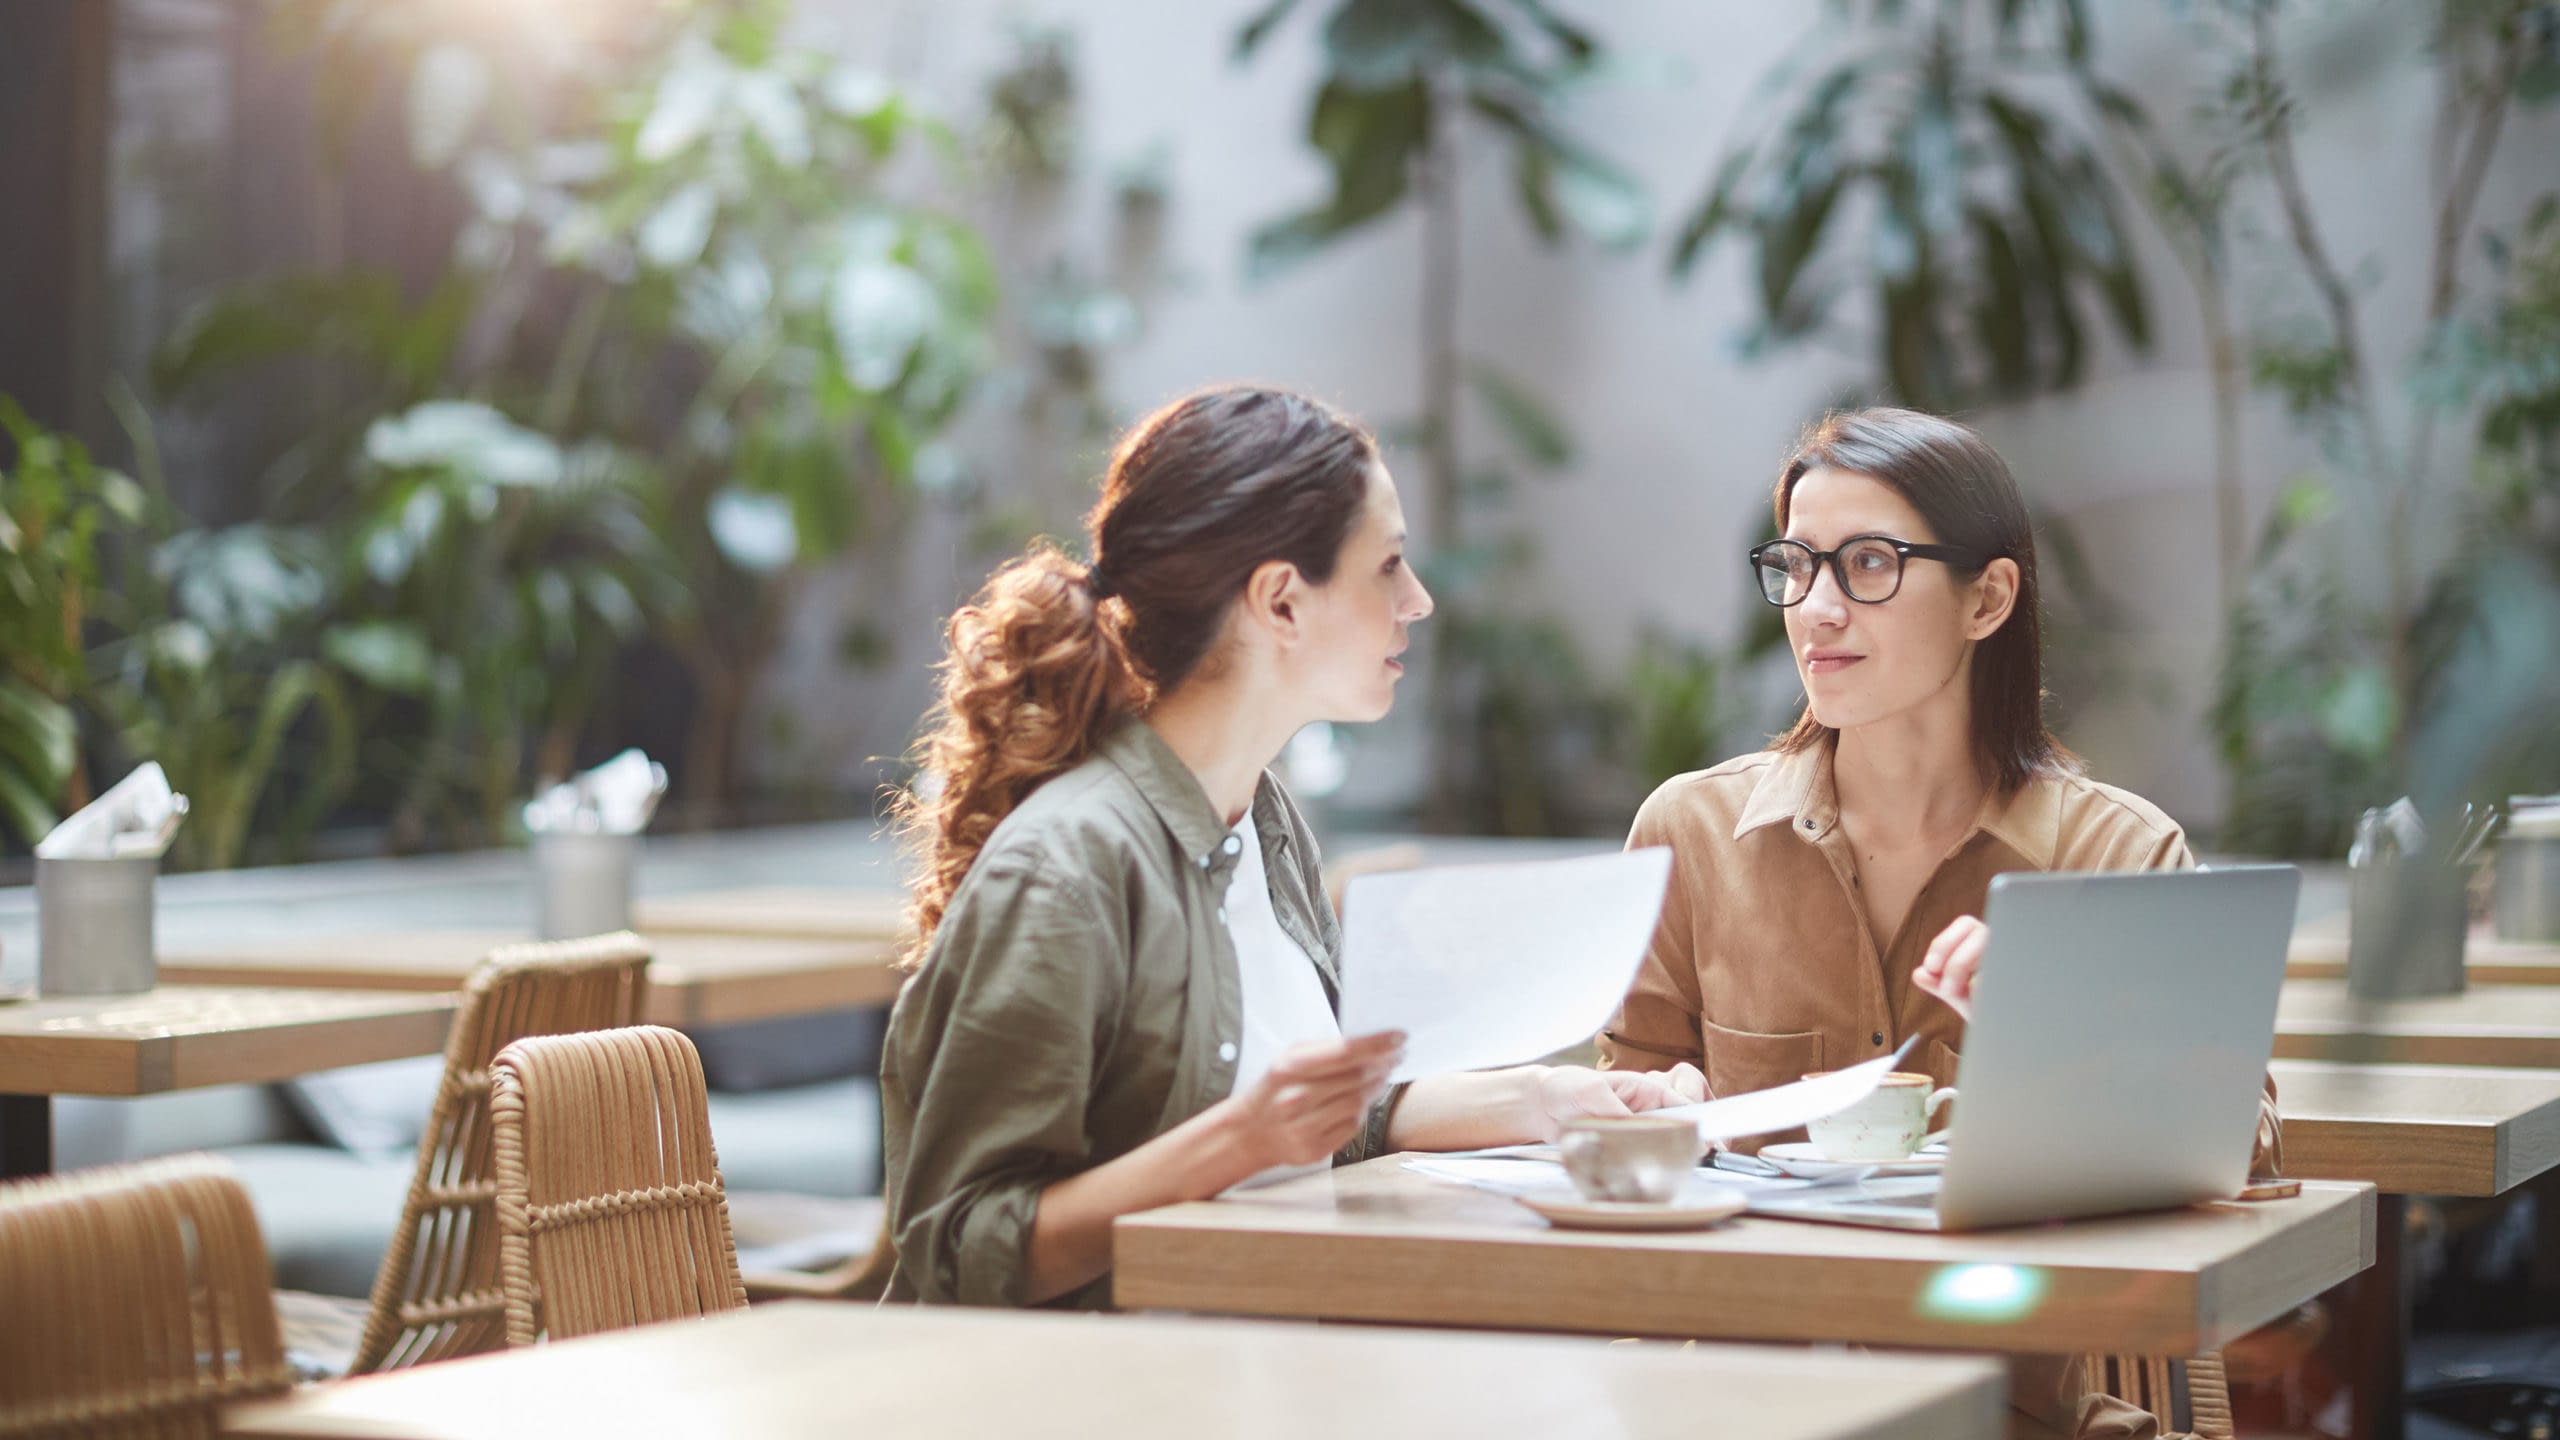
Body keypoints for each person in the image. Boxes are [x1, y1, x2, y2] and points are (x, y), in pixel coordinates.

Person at [881, 384, 1701, 1310]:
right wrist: (1242, 1140)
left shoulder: (1262, 822)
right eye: (1388, 567)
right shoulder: (1068, 868)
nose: (1418, 601)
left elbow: (1314, 1125)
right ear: (1280, 601)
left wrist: (1539, 1104)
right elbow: (956, 1254)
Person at [1597, 407, 2278, 1439]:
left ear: (1988, 597)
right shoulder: (1688, 835)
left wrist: (2065, 1021)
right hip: (1744, 1404)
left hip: (2019, 1412)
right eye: (1795, 564)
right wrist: (1650, 1105)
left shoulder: (2117, 856)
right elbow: (1615, 1123)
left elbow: (2249, 1150)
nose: (1815, 609)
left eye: (1868, 563)